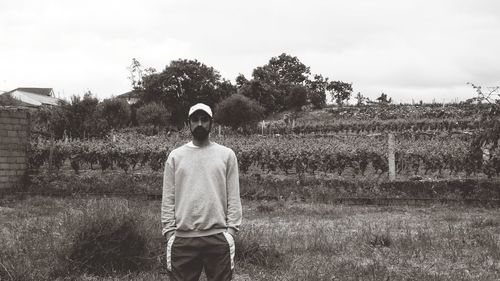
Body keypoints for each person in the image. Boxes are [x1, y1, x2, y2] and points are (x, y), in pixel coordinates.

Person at [162, 103, 242, 281]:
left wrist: (230, 232)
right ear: (188, 123)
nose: (200, 123)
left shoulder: (227, 155)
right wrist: (169, 233)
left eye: (204, 119)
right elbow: (168, 197)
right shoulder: (175, 156)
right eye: (195, 119)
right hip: (183, 239)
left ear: (211, 123)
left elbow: (234, 196)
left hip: (218, 238)